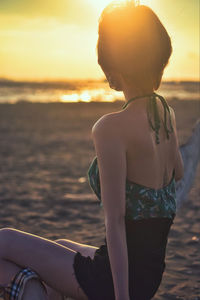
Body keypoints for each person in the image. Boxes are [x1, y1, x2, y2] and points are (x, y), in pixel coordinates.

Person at [0, 1, 184, 299]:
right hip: (149, 276)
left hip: (118, 282)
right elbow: (178, 172)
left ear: (113, 70)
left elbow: (115, 223)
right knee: (61, 243)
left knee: (4, 241)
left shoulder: (111, 127)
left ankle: (33, 293)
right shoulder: (167, 114)